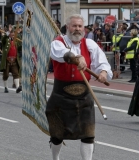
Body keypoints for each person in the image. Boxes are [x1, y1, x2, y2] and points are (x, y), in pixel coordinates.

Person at [45, 14, 112, 160]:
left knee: (88, 134)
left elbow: (102, 62)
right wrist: (76, 58)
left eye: (80, 26)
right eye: (74, 26)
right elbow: (60, 54)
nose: (77, 29)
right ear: (68, 27)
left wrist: (103, 72)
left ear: (84, 28)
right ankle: (55, 158)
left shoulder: (89, 44)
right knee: (57, 134)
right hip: (61, 96)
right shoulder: (58, 42)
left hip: (84, 96)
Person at [0, 25, 22, 93]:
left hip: (14, 60)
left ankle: (17, 87)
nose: (13, 34)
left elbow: (19, 48)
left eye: (13, 33)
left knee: (16, 74)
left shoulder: (16, 40)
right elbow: (2, 40)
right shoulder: (5, 40)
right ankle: (6, 87)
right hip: (7, 60)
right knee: (6, 74)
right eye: (11, 33)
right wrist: (7, 33)